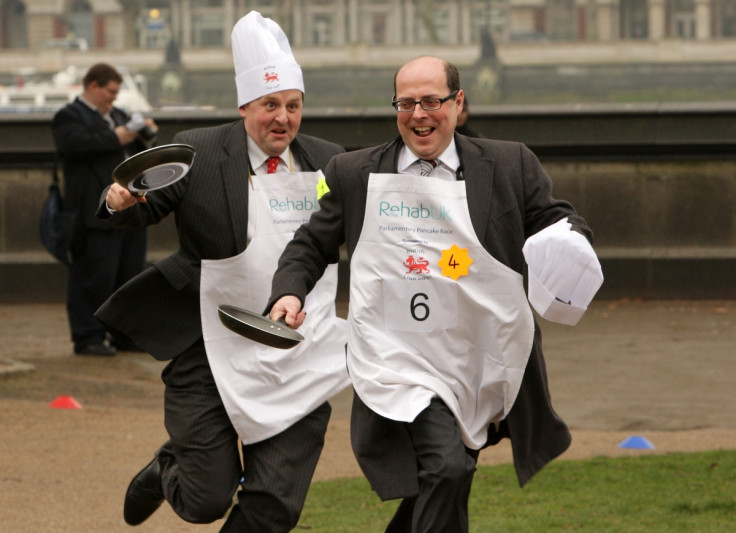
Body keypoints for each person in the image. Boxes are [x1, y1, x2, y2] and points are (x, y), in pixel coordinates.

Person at [268, 55, 603, 532]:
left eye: (431, 101)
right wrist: (290, 293)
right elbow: (310, 243)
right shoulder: (355, 172)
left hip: (474, 352)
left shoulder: (509, 163)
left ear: (458, 103)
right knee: (446, 466)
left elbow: (555, 216)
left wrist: (569, 242)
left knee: (451, 473)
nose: (419, 114)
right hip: (395, 353)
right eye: (406, 103)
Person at [94, 11, 349, 532]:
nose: (282, 118)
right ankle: (170, 465)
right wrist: (120, 199)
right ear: (244, 106)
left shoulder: (330, 163)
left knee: (274, 504)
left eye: (293, 107)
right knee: (206, 500)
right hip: (206, 346)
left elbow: (366, 233)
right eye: (270, 106)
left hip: (297, 354)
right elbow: (141, 200)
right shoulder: (202, 151)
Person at [51, 62, 157, 356]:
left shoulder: (119, 115)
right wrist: (119, 136)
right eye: (110, 91)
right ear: (93, 86)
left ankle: (124, 336)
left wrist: (146, 132)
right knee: (92, 277)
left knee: (129, 277)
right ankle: (88, 337)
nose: (114, 97)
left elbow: (143, 149)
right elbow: (76, 146)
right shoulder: (68, 117)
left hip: (130, 208)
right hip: (90, 212)